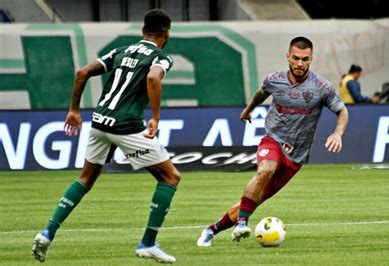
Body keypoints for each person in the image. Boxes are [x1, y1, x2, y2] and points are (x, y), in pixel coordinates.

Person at [32, 9, 180, 263]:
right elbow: (154, 77)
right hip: (126, 125)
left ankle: (48, 232)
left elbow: (82, 72)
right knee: (170, 177)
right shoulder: (160, 57)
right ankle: (148, 243)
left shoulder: (121, 51)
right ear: (166, 34)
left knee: (86, 178)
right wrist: (155, 117)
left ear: (142, 31)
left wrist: (74, 110)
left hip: (99, 121)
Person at [196, 36, 349, 247]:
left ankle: (212, 229)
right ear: (287, 56)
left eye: (305, 59)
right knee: (265, 170)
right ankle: (242, 223)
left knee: (253, 200)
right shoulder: (274, 80)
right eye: (295, 58)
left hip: (295, 158)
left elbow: (342, 111)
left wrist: (338, 133)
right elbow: (261, 93)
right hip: (273, 140)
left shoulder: (321, 86)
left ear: (311, 59)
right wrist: (248, 110)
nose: (299, 63)